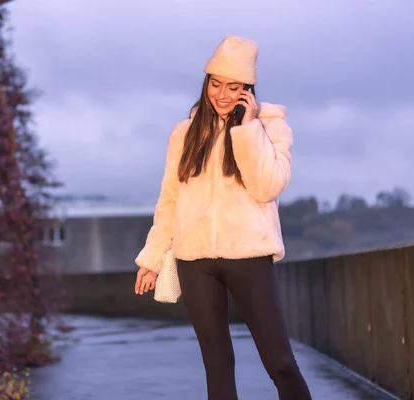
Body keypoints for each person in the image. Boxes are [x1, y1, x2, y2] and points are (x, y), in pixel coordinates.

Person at [133, 35, 312, 400]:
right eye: (216, 84)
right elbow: (169, 200)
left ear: (248, 89)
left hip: (249, 257)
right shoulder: (184, 134)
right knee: (216, 365)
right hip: (195, 260)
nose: (223, 94)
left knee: (279, 362)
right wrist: (151, 259)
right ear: (206, 82)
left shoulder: (270, 127)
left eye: (234, 87)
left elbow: (267, 187)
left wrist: (247, 128)